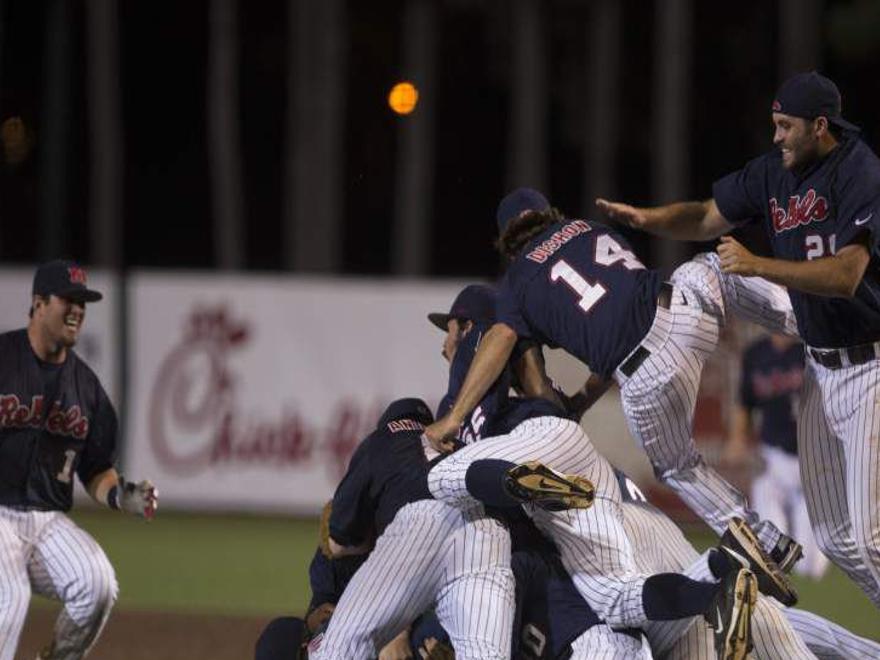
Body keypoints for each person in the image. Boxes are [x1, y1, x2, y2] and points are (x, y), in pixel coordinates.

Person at [424, 189, 800, 601]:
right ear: (547, 215)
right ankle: (817, 324)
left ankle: (764, 541)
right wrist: (585, 397)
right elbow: (618, 313)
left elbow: (504, 337)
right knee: (711, 267)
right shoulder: (588, 229)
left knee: (679, 468)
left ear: (507, 243)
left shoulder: (516, 282)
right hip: (681, 309)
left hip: (647, 373)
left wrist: (455, 415)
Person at [596, 70, 880, 607]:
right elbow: (706, 215)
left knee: (868, 536)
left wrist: (758, 264)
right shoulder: (776, 173)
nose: (776, 137)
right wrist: (645, 219)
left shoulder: (861, 172)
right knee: (838, 539)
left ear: (820, 126)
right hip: (822, 364)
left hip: (869, 364)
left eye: (785, 126)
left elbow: (846, 276)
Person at [0, 260, 158, 660]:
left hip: (45, 520)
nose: (77, 311)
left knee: (97, 583)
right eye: (67, 300)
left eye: (83, 304)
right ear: (38, 303)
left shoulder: (86, 387)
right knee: (11, 596)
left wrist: (122, 495)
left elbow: (95, 468)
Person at [726, 332, 828, 579]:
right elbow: (745, 403)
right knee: (766, 504)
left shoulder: (812, 347)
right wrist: (738, 438)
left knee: (812, 567)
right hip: (773, 454)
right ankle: (771, 568)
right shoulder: (756, 354)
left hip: (814, 455)